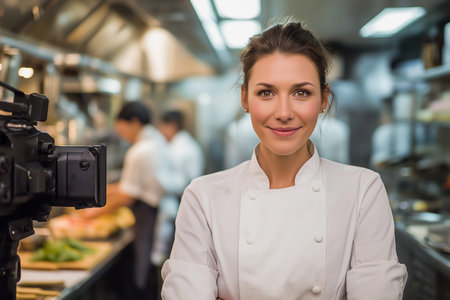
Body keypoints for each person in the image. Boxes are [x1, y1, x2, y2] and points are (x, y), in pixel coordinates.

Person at [161, 20, 407, 299]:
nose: (284, 112)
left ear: (324, 99)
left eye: (301, 92)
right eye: (266, 92)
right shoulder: (203, 197)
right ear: (245, 99)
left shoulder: (363, 190)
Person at [81, 101, 173, 299]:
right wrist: (100, 191)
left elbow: (127, 196)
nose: (123, 136)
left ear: (134, 122)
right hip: (158, 213)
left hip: (149, 217)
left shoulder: (140, 151)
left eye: (122, 130)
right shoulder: (156, 141)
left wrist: (90, 214)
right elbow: (129, 186)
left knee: (143, 274)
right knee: (152, 272)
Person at [153, 110, 205, 264]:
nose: (160, 131)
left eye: (161, 127)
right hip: (183, 201)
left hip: (181, 202)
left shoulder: (179, 148)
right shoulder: (188, 144)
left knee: (174, 255)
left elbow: (177, 182)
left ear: (171, 126)